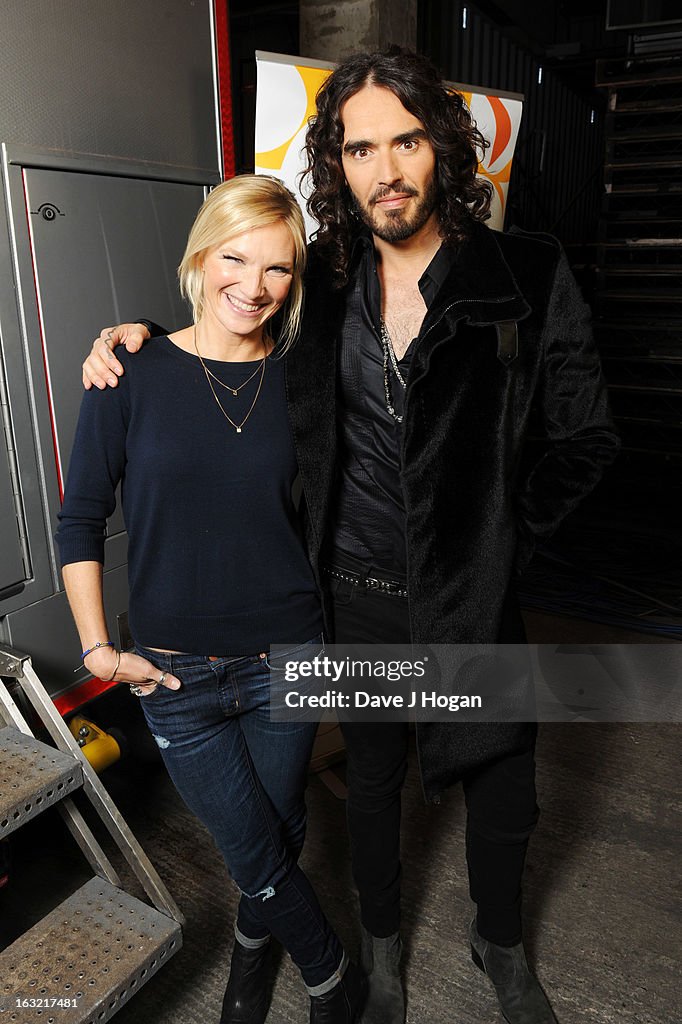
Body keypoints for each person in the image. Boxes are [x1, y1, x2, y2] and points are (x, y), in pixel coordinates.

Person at [82, 48, 620, 1024]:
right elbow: (234, 330)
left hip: (473, 596)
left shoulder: (527, 271)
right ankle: (379, 954)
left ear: (442, 144)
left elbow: (585, 439)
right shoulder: (324, 284)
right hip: (354, 601)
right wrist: (138, 336)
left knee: (504, 791)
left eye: (404, 140)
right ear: (337, 163)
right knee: (370, 788)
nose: (386, 170)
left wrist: (505, 537)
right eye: (359, 147)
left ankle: (498, 941)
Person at [57, 174, 366, 1024]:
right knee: (250, 841)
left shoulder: (306, 380)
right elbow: (79, 520)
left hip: (288, 654)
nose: (254, 286)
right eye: (235, 258)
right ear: (200, 257)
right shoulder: (126, 372)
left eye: (278, 270)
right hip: (174, 675)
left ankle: (253, 946)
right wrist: (97, 652)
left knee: (280, 826)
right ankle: (334, 977)